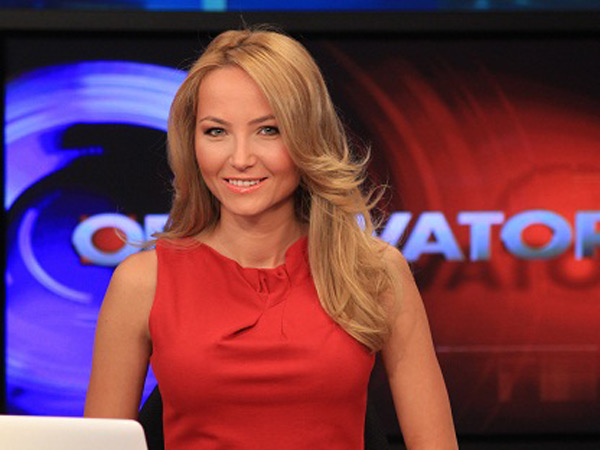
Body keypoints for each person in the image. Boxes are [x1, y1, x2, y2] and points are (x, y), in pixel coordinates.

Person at [84, 28, 458, 449]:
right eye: (216, 131)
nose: (240, 158)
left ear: (306, 137)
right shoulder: (142, 282)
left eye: (268, 130)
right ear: (192, 142)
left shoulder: (375, 272)